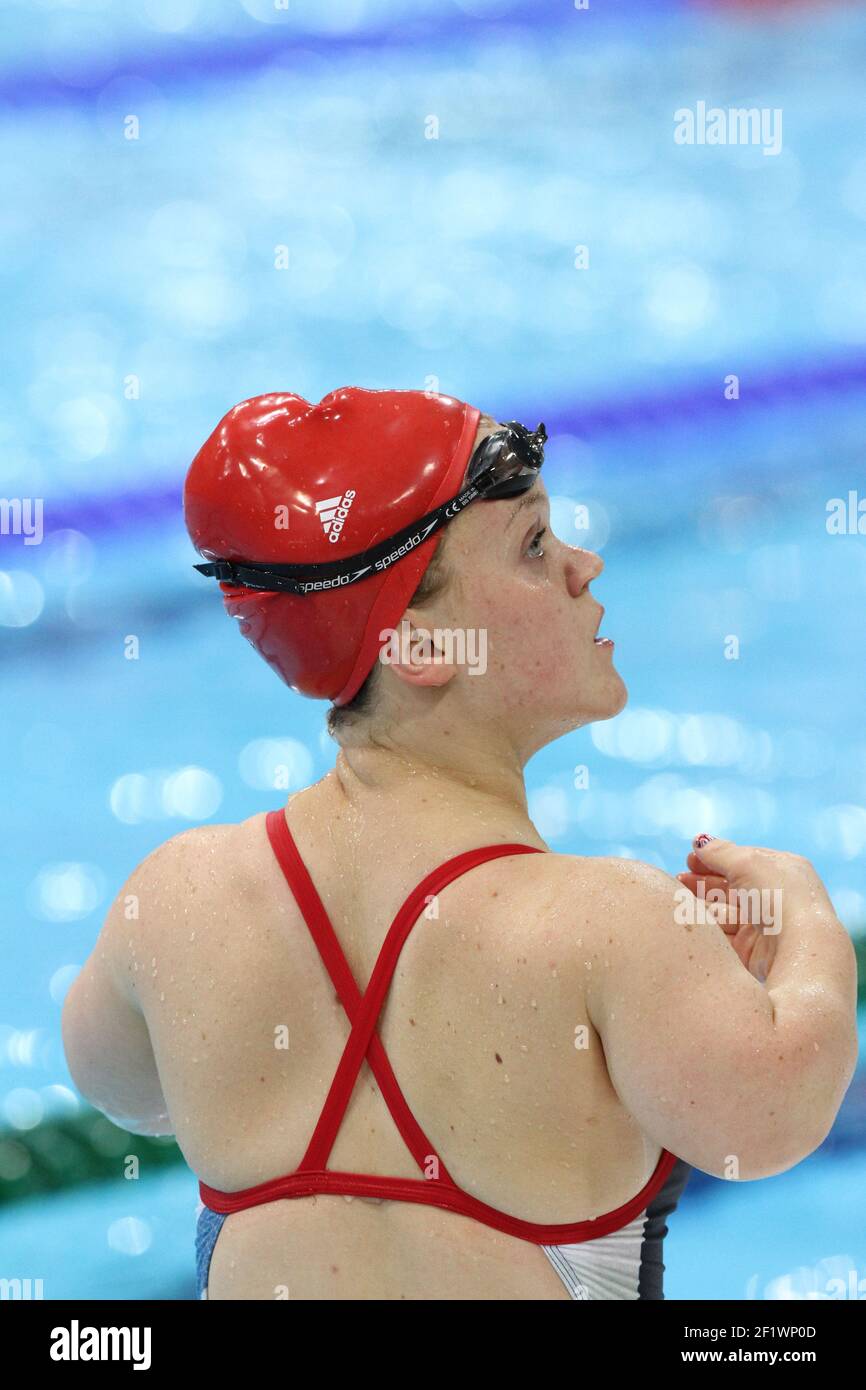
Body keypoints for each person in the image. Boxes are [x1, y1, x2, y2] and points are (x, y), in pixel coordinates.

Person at [62, 387, 859, 1301]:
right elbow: (767, 1118)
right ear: (418, 646)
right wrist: (803, 922)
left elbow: (121, 1087)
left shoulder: (173, 899)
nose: (586, 565)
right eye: (533, 545)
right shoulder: (611, 922)